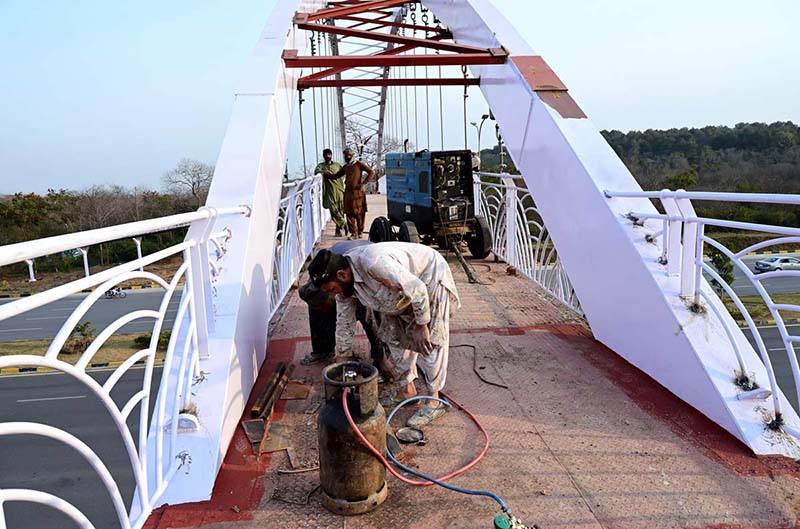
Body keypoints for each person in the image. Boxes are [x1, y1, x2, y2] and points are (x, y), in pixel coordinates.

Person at [308, 242, 459, 427]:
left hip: (428, 281)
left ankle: (434, 402)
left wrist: (421, 325)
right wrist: (342, 362)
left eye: (331, 289)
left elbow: (417, 288)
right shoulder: (343, 288)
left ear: (342, 275)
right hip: (396, 295)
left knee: (429, 343)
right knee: (394, 338)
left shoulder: (374, 263)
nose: (333, 294)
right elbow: (344, 324)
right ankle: (407, 391)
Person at [299, 240, 385, 369]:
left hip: (368, 269)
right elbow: (342, 323)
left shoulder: (343, 275)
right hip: (342, 265)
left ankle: (381, 359)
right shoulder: (320, 278)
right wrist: (343, 353)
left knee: (369, 316)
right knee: (316, 308)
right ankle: (323, 350)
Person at [332, 148, 374, 239]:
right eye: (346, 155)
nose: (347, 157)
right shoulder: (346, 167)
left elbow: (371, 172)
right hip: (348, 193)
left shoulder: (359, 164)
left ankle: (360, 232)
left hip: (358, 192)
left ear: (352, 155)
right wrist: (325, 175)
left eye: (349, 155)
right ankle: (353, 233)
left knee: (359, 213)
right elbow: (336, 176)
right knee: (349, 213)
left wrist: (363, 183)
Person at [314, 148, 346, 237]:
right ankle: (344, 224)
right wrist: (324, 173)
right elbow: (317, 172)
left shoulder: (337, 165)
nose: (328, 156)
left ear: (331, 155)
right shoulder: (321, 166)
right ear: (324, 156)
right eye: (326, 155)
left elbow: (343, 174)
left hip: (339, 190)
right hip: (329, 191)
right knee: (333, 210)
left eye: (329, 155)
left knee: (341, 209)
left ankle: (338, 230)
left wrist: (338, 181)